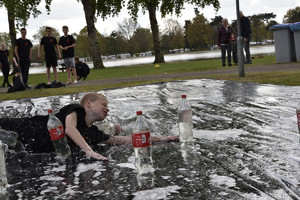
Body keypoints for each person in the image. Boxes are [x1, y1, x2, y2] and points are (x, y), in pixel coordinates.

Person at [0, 93, 178, 160]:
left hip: (26, 147)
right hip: (21, 128)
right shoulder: (75, 110)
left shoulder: (93, 133)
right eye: (103, 104)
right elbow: (69, 129)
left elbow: (124, 140)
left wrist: (163, 139)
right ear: (88, 103)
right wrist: (89, 151)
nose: (107, 109)